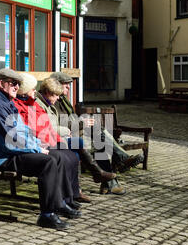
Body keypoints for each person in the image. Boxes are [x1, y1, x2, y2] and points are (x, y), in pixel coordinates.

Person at [0, 68, 80, 230]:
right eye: (13, 83)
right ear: (2, 84)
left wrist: (37, 145)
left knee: (58, 156)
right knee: (48, 162)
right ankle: (47, 215)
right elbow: (10, 140)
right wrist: (37, 149)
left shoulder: (5, 101)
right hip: (1, 158)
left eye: (18, 84)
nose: (17, 87)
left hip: (12, 152)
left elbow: (22, 131)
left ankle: (58, 203)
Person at [14, 73, 115, 203]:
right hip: (45, 141)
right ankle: (87, 182)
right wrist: (69, 130)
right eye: (56, 94)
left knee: (95, 138)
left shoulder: (48, 102)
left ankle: (93, 180)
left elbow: (51, 125)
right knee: (78, 146)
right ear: (47, 91)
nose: (59, 97)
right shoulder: (37, 103)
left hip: (58, 136)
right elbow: (45, 127)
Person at [50, 72, 144, 195]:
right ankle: (116, 170)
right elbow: (58, 126)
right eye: (66, 86)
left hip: (75, 133)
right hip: (66, 138)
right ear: (57, 85)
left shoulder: (63, 100)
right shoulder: (53, 102)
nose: (68, 88)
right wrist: (81, 123)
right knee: (101, 142)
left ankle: (115, 171)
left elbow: (70, 120)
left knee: (100, 136)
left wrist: (81, 122)